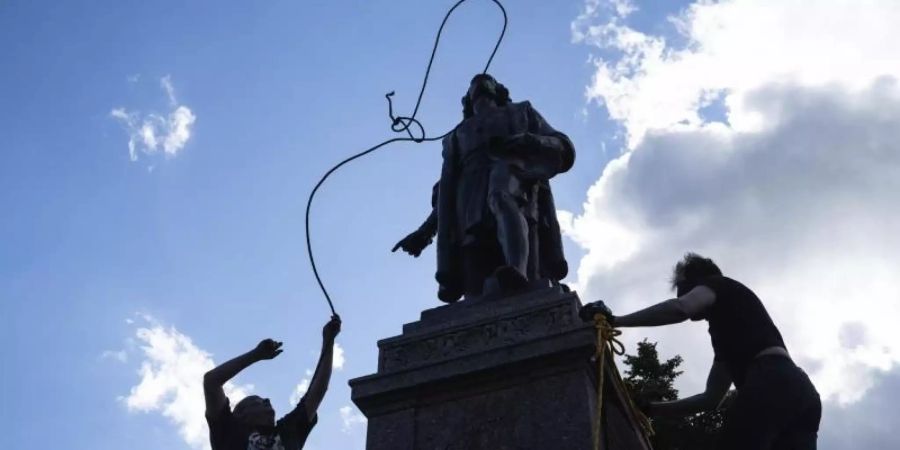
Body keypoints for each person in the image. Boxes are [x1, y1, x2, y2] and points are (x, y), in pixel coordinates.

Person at [582, 253, 821, 449]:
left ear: (693, 281)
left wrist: (615, 320)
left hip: (770, 379)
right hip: (801, 392)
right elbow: (711, 399)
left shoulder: (717, 284)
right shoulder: (731, 332)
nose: (680, 295)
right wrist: (652, 409)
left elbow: (680, 308)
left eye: (682, 289)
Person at [396, 74, 574, 303]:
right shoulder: (456, 136)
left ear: (498, 90)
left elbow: (562, 144)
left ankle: (517, 268)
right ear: (467, 99)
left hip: (513, 180)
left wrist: (529, 141)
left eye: (486, 80)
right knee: (475, 288)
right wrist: (424, 232)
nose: (479, 83)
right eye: (474, 83)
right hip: (468, 205)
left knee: (501, 198)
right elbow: (447, 194)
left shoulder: (521, 112)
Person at [203, 315, 341, 450]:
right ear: (240, 415)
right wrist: (255, 355)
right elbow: (211, 381)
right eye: (256, 401)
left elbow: (317, 393)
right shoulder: (228, 433)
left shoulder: (288, 430)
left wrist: (328, 340)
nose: (267, 400)